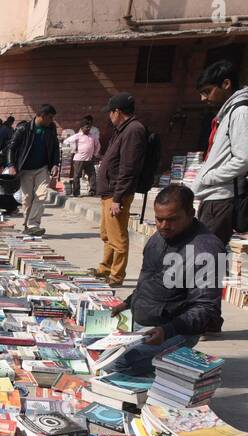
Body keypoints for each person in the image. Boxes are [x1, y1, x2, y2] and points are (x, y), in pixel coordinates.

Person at [104, 185, 224, 375]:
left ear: (191, 213)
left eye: (172, 219)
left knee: (116, 366)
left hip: (174, 330)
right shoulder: (160, 236)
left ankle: (164, 372)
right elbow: (152, 280)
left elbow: (206, 308)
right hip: (144, 323)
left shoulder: (206, 250)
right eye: (159, 219)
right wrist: (127, 303)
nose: (164, 225)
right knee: (92, 350)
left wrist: (167, 331)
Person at [193, 60, 248, 244]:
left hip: (222, 199)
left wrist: (209, 177)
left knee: (205, 257)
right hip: (215, 198)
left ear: (226, 84)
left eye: (207, 91)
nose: (203, 98)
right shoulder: (230, 112)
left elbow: (244, 159)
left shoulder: (241, 112)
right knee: (201, 256)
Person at [94, 92, 148, 287]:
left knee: (118, 237)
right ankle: (105, 268)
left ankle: (116, 276)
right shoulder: (122, 129)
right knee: (106, 234)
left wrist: (118, 197)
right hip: (109, 191)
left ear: (117, 111)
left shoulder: (134, 130)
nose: (109, 116)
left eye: (110, 112)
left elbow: (128, 167)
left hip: (117, 193)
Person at [6, 104, 61, 236]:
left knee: (41, 195)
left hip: (42, 168)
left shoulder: (51, 129)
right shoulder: (23, 129)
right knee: (27, 198)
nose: (51, 121)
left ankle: (33, 224)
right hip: (25, 169)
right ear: (41, 116)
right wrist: (11, 165)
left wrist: (55, 164)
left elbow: (55, 147)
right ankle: (27, 225)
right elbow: (11, 148)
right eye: (50, 117)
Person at [61, 118, 101, 197]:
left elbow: (98, 145)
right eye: (86, 127)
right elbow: (66, 141)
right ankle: (76, 193)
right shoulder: (77, 136)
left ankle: (92, 191)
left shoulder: (93, 137)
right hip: (79, 160)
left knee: (92, 175)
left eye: (89, 127)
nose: (88, 129)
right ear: (82, 128)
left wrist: (95, 153)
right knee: (77, 176)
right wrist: (73, 148)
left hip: (89, 160)